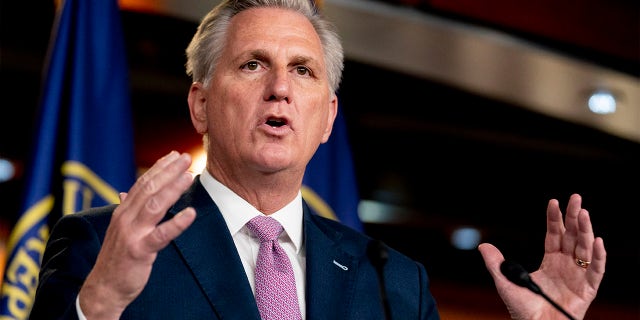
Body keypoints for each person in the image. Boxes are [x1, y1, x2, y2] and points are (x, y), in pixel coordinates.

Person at [28, 0, 606, 319]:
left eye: (303, 70)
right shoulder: (101, 244)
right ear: (201, 104)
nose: (280, 88)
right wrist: (98, 304)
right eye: (253, 64)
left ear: (328, 118)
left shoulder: (396, 284)